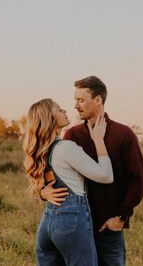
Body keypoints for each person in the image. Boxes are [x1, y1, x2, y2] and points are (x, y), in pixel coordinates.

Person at [41, 76, 143, 266]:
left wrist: (121, 217)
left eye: (81, 100)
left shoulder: (123, 134)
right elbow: (54, 171)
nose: (75, 105)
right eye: (75, 100)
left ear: (98, 100)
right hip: (77, 227)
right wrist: (43, 191)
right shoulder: (71, 135)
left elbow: (138, 180)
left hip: (108, 226)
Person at [23, 98, 114, 266]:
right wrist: (99, 139)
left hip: (47, 224)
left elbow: (43, 182)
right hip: (70, 224)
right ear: (49, 118)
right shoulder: (65, 148)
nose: (65, 111)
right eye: (59, 110)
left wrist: (42, 192)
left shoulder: (41, 151)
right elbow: (106, 176)